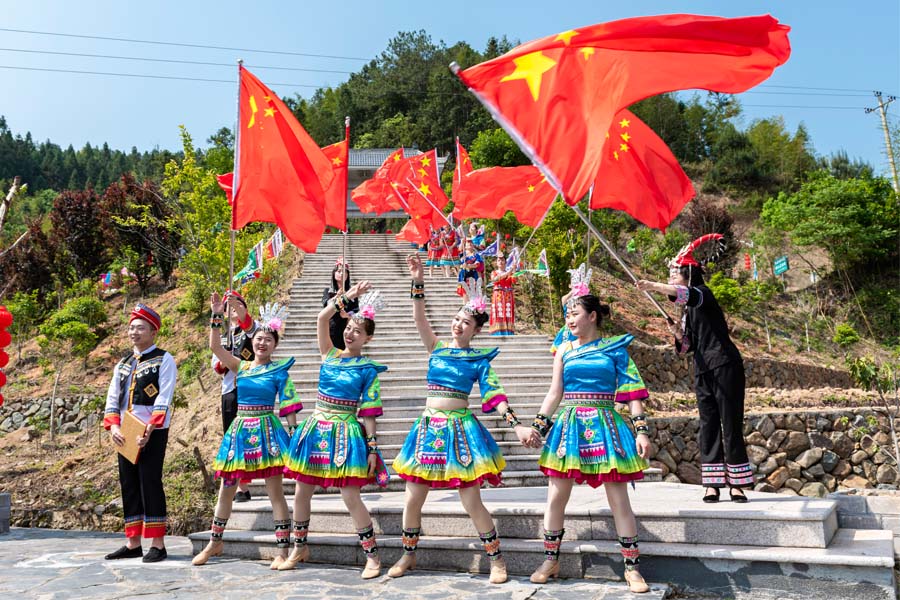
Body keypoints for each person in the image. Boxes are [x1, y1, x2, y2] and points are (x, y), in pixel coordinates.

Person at [388, 255, 539, 585]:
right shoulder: (437, 348)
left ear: (477, 329)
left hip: (458, 430)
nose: (458, 325)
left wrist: (516, 424)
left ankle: (496, 560)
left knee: (471, 500)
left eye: (465, 322)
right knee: (412, 497)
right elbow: (419, 318)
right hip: (428, 429)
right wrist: (418, 280)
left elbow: (496, 395)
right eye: (456, 319)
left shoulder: (479, 361)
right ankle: (408, 554)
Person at [526, 264, 651, 593]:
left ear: (593, 316)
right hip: (568, 427)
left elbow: (633, 393)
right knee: (555, 497)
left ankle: (632, 568)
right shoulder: (564, 349)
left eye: (575, 312)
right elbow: (555, 392)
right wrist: (539, 425)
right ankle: (551, 560)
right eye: (567, 313)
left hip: (606, 425)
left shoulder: (615, 349)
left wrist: (641, 431)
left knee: (619, 500)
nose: (569, 319)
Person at [281, 282, 389, 578]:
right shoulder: (328, 354)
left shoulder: (368, 370)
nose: (350, 332)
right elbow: (321, 318)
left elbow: (369, 413)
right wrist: (347, 296)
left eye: (358, 330)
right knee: (302, 491)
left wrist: (373, 448)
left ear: (367, 338)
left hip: (346, 433)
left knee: (350, 496)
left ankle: (372, 556)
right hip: (316, 429)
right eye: (349, 327)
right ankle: (298, 546)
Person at [636, 233, 751, 504]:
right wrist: (678, 333)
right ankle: (712, 484)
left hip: (725, 364)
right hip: (702, 368)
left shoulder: (703, 295)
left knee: (730, 423)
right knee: (708, 423)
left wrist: (652, 285)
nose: (671, 278)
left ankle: (737, 485)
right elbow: (687, 347)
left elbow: (685, 294)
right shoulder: (688, 311)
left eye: (674, 273)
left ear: (688, 273)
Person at [193, 296, 303, 568]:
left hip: (268, 432)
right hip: (240, 431)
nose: (262, 342)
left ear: (275, 344)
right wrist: (216, 315)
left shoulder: (279, 372)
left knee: (275, 493)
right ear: (252, 342)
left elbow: (289, 408)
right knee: (226, 489)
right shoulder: (240, 366)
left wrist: (294, 435)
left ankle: (281, 549)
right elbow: (215, 346)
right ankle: (215, 541)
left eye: (268, 339)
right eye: (259, 338)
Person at [103, 304, 177, 563]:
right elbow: (113, 397)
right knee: (129, 483)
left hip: (152, 431)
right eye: (132, 327)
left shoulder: (163, 359)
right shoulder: (123, 363)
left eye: (140, 328)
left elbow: (164, 396)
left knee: (150, 482)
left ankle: (158, 543)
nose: (134, 332)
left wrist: (150, 428)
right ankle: (133, 541)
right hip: (125, 429)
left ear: (153, 331)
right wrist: (113, 426)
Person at [210, 290, 257, 502]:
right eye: (230, 308)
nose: (234, 311)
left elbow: (249, 327)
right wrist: (225, 358)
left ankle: (247, 481)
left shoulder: (252, 330)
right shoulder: (223, 335)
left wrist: (238, 307)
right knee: (232, 436)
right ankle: (238, 482)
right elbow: (216, 365)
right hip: (230, 389)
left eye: (237, 306)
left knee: (249, 437)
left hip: (251, 389)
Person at [322, 258, 358, 350]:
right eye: (339, 271)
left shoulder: (352, 292)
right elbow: (325, 306)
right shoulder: (328, 292)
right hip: (332, 328)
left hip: (347, 328)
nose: (342, 274)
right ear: (334, 273)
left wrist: (347, 315)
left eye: (345, 272)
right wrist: (336, 296)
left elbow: (356, 311)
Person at [489, 254, 516, 336]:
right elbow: (495, 279)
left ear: (505, 262)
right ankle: (497, 331)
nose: (500, 262)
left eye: (502, 260)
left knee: (507, 312)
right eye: (498, 260)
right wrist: (509, 271)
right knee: (498, 311)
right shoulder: (494, 272)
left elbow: (514, 281)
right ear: (496, 263)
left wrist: (514, 271)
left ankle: (508, 331)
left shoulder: (509, 273)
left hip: (508, 295)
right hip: (498, 295)